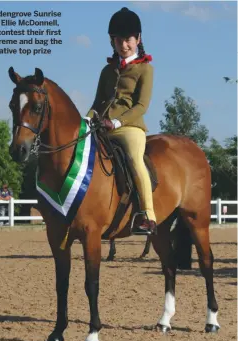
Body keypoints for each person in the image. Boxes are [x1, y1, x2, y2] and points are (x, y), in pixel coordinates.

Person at [85, 7, 156, 235]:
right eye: (118, 40)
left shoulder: (145, 69)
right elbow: (97, 103)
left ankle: (148, 215)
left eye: (128, 40)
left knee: (135, 160)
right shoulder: (107, 70)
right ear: (112, 41)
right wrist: (85, 121)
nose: (123, 45)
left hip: (130, 128)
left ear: (138, 39)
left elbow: (141, 106)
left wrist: (117, 123)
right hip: (101, 126)